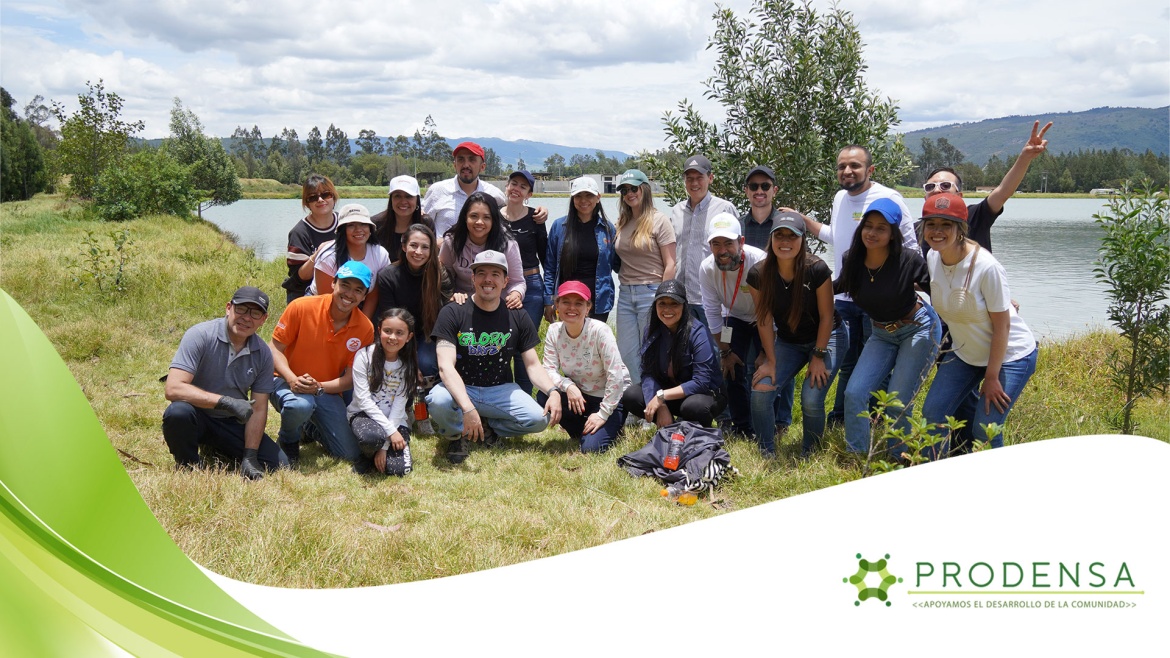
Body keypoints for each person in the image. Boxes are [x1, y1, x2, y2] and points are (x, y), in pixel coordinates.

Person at [798, 145, 918, 428]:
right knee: (848, 364)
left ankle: (874, 420)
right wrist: (802, 220)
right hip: (845, 300)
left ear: (870, 170)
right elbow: (835, 235)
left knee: (879, 367)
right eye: (842, 166)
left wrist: (905, 293)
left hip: (878, 301)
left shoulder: (889, 198)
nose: (847, 171)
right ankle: (841, 418)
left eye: (855, 166)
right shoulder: (840, 197)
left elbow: (911, 248)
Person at [920, 193, 1038, 456]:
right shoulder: (933, 258)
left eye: (946, 225)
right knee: (933, 414)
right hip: (966, 353)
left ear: (961, 229)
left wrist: (992, 377)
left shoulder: (987, 267)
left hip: (1010, 356)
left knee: (985, 429)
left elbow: (1003, 327)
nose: (937, 232)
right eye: (931, 224)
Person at [426, 250, 562, 464]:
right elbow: (445, 367)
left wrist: (552, 391)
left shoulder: (517, 315)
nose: (488, 279)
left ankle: (485, 427)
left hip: (500, 390)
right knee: (438, 400)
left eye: (495, 274)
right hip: (462, 387)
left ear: (506, 280)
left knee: (539, 419)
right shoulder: (453, 312)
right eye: (481, 273)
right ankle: (457, 434)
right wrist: (467, 407)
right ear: (472, 278)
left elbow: (533, 365)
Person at [836, 199, 941, 457]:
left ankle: (900, 458)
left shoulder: (909, 260)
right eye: (868, 226)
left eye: (881, 228)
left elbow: (939, 292)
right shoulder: (852, 259)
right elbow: (836, 286)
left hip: (917, 329)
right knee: (854, 393)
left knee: (896, 402)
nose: (872, 233)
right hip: (881, 334)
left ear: (893, 233)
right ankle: (857, 455)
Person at [162, 286, 287, 479]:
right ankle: (188, 463)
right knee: (177, 413)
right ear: (228, 308)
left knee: (279, 464)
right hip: (197, 414)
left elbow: (259, 408)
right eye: (241, 309)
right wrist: (225, 401)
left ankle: (222, 449)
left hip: (232, 420)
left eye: (255, 313)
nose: (247, 318)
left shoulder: (263, 354)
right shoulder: (200, 335)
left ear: (263, 320)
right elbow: (173, 388)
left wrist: (250, 456)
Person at [746, 216, 846, 457]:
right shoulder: (758, 274)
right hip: (789, 342)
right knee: (761, 390)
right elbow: (764, 320)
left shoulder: (817, 269)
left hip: (827, 337)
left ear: (803, 239)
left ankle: (809, 452)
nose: (785, 241)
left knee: (811, 398)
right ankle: (765, 450)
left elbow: (826, 316)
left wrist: (818, 356)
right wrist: (770, 360)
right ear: (771, 238)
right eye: (779, 235)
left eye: (792, 236)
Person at [269, 261, 375, 466]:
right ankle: (289, 440)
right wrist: (292, 379)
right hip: (284, 381)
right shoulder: (301, 306)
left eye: (358, 290)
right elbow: (274, 349)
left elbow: (350, 378)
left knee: (349, 453)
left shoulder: (365, 328)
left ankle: (308, 426)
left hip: (324, 391)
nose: (349, 294)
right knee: (300, 404)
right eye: (345, 285)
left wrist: (318, 387)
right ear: (333, 283)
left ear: (364, 296)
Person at [919, 121, 1053, 253]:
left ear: (959, 196)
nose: (937, 189)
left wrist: (1025, 157)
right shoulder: (917, 230)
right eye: (930, 186)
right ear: (925, 196)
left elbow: (1002, 192)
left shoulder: (975, 217)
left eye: (945, 185)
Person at [736, 164, 796, 436]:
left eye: (765, 186)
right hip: (750, 305)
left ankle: (782, 421)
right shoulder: (738, 225)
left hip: (782, 303)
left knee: (783, 360)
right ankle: (755, 419)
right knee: (753, 362)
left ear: (775, 190)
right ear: (746, 191)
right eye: (753, 187)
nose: (759, 191)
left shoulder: (785, 222)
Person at [698, 212, 767, 439]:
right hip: (734, 317)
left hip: (764, 318)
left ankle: (776, 422)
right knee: (732, 370)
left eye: (728, 243)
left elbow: (773, 308)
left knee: (769, 369)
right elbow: (712, 312)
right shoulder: (707, 268)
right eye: (716, 244)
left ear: (741, 242)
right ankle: (742, 427)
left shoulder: (760, 261)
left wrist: (767, 352)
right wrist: (725, 351)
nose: (722, 250)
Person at [621, 280, 725, 428]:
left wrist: (662, 396)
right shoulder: (651, 331)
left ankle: (696, 431)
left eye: (674, 303)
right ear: (655, 306)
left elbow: (701, 382)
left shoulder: (698, 332)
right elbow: (648, 373)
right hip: (670, 393)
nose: (667, 309)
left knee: (693, 407)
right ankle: (671, 428)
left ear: (684, 306)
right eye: (662, 303)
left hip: (704, 395)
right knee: (631, 396)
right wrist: (661, 404)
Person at [541, 281, 631, 453]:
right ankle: (583, 431)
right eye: (566, 301)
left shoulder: (600, 331)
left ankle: (608, 426)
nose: (571, 308)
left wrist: (602, 414)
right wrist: (568, 386)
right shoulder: (554, 331)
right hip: (580, 396)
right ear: (557, 304)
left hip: (609, 397)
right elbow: (549, 370)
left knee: (590, 449)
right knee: (544, 396)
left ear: (588, 307)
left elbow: (616, 376)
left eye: (579, 303)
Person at [613, 168, 677, 382]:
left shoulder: (660, 220)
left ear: (645, 189)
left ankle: (654, 402)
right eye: (625, 190)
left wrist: (664, 299)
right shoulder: (622, 221)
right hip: (625, 294)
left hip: (651, 292)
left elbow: (670, 264)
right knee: (626, 351)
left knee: (651, 350)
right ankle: (638, 401)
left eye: (634, 188)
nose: (629, 193)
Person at [368, 223, 453, 380]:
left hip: (428, 332)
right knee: (399, 363)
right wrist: (408, 358)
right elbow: (389, 317)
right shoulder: (388, 276)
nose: (418, 252)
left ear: (432, 249)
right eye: (413, 245)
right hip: (398, 332)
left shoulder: (440, 273)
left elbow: (448, 308)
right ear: (404, 246)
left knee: (426, 363)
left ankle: (428, 397)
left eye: (425, 247)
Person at [422, 141, 547, 237]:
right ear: (454, 164)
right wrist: (435, 242)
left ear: (482, 167)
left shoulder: (494, 195)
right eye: (461, 159)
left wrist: (541, 210)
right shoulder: (437, 191)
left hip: (482, 268)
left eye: (472, 159)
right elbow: (421, 225)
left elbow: (514, 210)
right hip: (444, 266)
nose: (466, 165)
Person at [348, 309, 418, 476]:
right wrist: (391, 433)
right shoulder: (364, 356)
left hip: (395, 420)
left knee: (400, 470)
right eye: (388, 331)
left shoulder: (408, 366)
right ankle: (368, 454)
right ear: (379, 331)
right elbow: (363, 400)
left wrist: (386, 446)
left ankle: (379, 451)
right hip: (364, 415)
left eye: (399, 333)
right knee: (371, 438)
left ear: (408, 337)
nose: (392, 337)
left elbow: (399, 406)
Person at [670, 154, 738, 326]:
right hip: (682, 299)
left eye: (699, 178)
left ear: (710, 178)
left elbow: (737, 253)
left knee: (717, 351)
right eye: (689, 178)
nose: (694, 184)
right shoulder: (676, 212)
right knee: (683, 351)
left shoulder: (724, 209)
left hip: (712, 299)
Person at [543, 176, 618, 323]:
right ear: (572, 199)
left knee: (595, 343)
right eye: (578, 196)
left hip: (599, 300)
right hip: (567, 300)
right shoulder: (559, 227)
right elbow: (550, 267)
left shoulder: (608, 229)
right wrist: (548, 300)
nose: (584, 201)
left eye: (589, 195)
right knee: (568, 344)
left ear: (598, 197)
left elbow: (618, 264)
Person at [500, 170, 549, 397]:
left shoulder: (536, 219)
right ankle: (502, 396)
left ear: (529, 194)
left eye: (522, 186)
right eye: (513, 184)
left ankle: (523, 398)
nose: (516, 189)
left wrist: (550, 296)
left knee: (523, 346)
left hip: (531, 285)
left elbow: (547, 258)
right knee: (499, 343)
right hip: (499, 286)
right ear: (506, 186)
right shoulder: (493, 216)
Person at [439, 191, 525, 304]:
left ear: (494, 220)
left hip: (497, 305)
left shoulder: (507, 244)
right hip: (463, 303)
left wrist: (515, 294)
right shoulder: (452, 242)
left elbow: (518, 282)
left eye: (486, 217)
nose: (479, 222)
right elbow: (444, 279)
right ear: (465, 217)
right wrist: (452, 295)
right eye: (474, 216)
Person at [308, 204, 391, 298]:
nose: (358, 230)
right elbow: (327, 299)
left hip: (361, 301)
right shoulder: (328, 256)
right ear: (342, 230)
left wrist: (363, 313)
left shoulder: (380, 253)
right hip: (325, 302)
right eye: (351, 225)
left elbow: (374, 294)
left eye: (363, 224)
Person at [282, 174, 338, 303]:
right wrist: (319, 253)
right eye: (313, 197)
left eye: (325, 194)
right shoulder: (299, 233)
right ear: (307, 204)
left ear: (333, 197)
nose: (320, 200)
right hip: (304, 295)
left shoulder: (345, 224)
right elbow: (300, 276)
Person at [372, 175, 432, 263]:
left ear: (417, 200)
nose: (403, 201)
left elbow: (432, 257)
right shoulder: (375, 224)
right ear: (391, 199)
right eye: (397, 196)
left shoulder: (426, 223)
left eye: (409, 196)